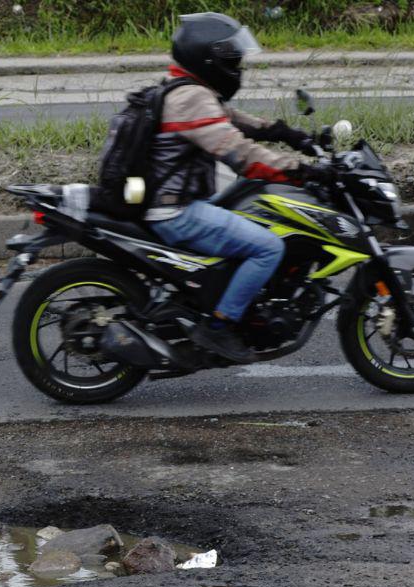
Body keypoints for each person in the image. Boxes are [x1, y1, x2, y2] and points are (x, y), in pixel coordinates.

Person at [137, 12, 325, 363]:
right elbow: (240, 154)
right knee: (268, 247)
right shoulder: (192, 98)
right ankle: (219, 326)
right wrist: (301, 172)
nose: (237, 67)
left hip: (171, 203)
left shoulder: (185, 89)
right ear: (207, 59)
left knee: (246, 209)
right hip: (176, 212)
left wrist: (284, 133)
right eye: (232, 60)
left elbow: (234, 121)